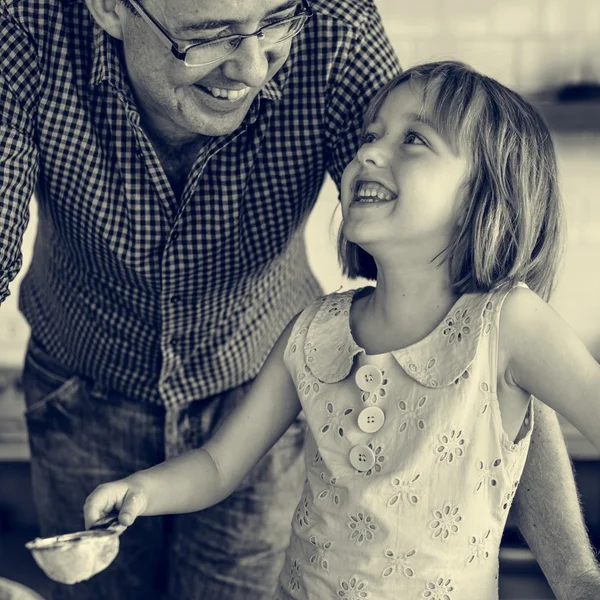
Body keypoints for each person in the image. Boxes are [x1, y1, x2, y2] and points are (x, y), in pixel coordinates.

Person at [0, 0, 597, 595]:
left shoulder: (335, 31)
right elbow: (217, 466)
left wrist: (574, 574)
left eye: (275, 23)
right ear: (111, 10)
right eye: (209, 36)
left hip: (246, 360)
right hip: (82, 378)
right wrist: (145, 491)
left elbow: (512, 388)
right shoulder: (315, 334)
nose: (255, 70)